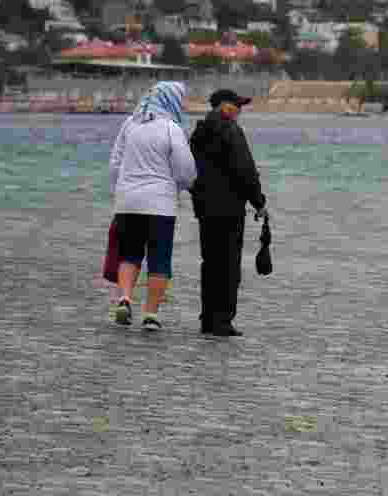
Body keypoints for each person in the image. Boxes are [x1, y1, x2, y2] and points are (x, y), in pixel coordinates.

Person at [108, 81, 197, 331]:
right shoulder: (171, 128)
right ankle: (150, 314)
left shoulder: (129, 124)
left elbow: (115, 164)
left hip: (127, 203)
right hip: (160, 205)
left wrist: (119, 192)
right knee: (159, 260)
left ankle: (125, 298)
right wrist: (180, 186)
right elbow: (185, 170)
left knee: (129, 255)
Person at [188, 89, 268, 337]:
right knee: (229, 265)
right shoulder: (231, 130)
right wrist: (259, 202)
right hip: (230, 208)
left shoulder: (199, 132)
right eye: (237, 106)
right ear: (224, 106)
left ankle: (207, 319)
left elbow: (188, 169)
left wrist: (198, 195)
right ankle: (222, 320)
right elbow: (245, 170)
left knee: (210, 263)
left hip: (205, 208)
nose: (239, 111)